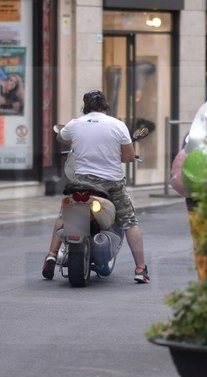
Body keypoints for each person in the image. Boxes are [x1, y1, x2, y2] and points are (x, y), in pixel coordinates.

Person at [42, 89, 150, 283]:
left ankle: (51, 255)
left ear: (85, 107)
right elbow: (127, 156)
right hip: (111, 185)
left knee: (65, 214)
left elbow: (61, 137)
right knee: (129, 222)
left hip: (82, 183)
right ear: (105, 106)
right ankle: (141, 269)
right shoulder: (118, 126)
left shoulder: (75, 124)